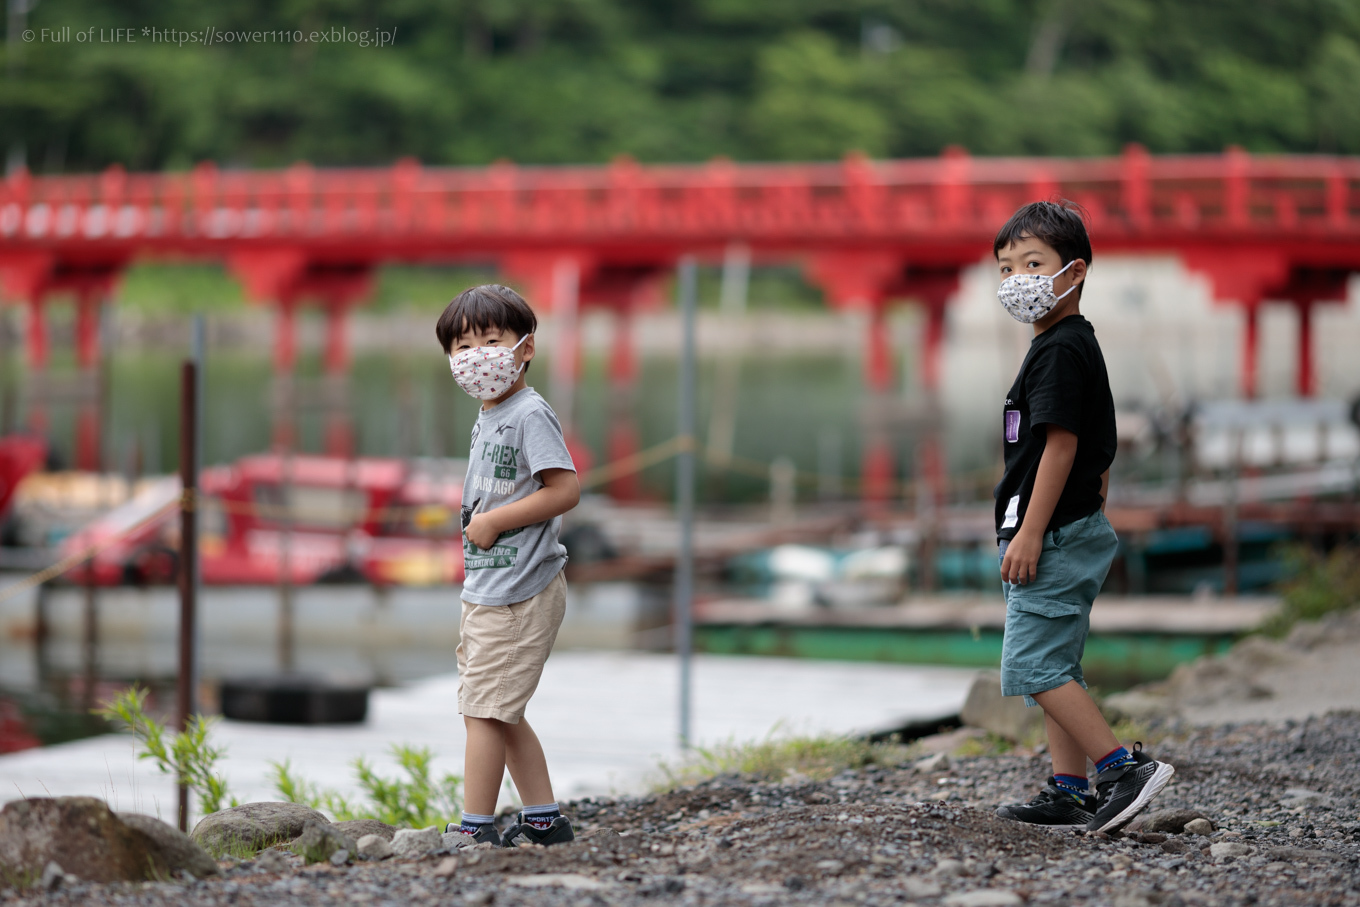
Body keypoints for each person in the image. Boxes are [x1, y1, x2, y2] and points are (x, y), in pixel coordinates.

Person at [989, 201, 1175, 833]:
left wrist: (1033, 531)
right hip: (1073, 527)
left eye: (1033, 263)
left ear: (1075, 271)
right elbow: (1092, 454)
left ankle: (1123, 769)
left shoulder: (1062, 349)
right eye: (1007, 267)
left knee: (1034, 666)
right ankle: (1067, 791)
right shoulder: (1064, 343)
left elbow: (1063, 444)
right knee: (1055, 664)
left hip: (1055, 535)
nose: (1018, 279)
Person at [434, 284, 580, 847]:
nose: (477, 358)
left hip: (520, 590)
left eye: (491, 341)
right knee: (501, 708)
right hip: (491, 585)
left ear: (524, 349)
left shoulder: (528, 413)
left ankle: (476, 829)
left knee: (483, 711)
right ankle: (542, 819)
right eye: (463, 347)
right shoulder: (491, 413)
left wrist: (495, 523)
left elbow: (564, 490)